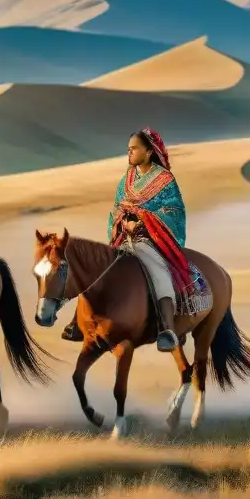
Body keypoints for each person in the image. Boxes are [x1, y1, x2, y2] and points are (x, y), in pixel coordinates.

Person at [61, 127, 187, 352]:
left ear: (149, 152)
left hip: (151, 240)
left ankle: (167, 329)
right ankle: (79, 323)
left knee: (157, 271)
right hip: (123, 237)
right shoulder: (127, 179)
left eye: (134, 148)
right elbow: (117, 208)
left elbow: (174, 211)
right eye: (128, 149)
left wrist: (141, 222)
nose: (129, 153)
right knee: (97, 268)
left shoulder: (165, 179)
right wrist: (121, 221)